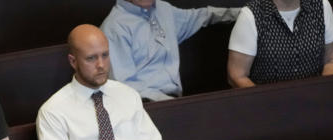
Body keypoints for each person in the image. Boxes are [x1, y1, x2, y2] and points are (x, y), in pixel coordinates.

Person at [36, 24, 165, 140]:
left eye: (105, 55)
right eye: (91, 58)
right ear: (73, 61)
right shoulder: (53, 111)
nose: (101, 65)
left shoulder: (126, 94)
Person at [100, 0, 240, 101]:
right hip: (144, 107)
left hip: (175, 102)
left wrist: (248, 13)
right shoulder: (114, 27)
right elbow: (124, 87)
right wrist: (167, 102)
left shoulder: (163, 9)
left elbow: (202, 16)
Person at [227, 0, 333, 87]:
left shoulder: (322, 6)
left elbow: (331, 60)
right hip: (268, 105)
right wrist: (264, 104)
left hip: (315, 101)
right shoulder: (251, 15)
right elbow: (237, 76)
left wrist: (322, 92)